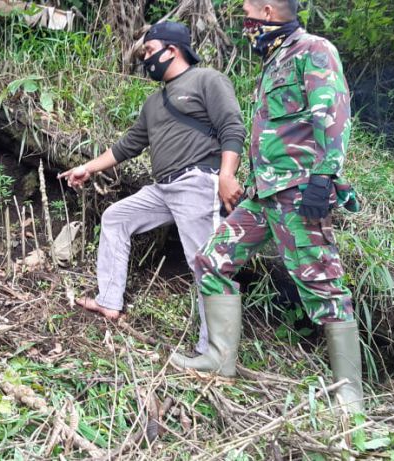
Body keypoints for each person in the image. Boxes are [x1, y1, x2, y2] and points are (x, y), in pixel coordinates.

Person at [172, 0, 363, 413]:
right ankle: (220, 359)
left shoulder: (314, 49)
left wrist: (324, 176)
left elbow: (332, 113)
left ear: (267, 11)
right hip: (264, 193)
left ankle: (349, 396)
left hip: (300, 190)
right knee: (212, 258)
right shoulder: (276, 60)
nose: (245, 24)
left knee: (322, 283)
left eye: (247, 15)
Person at [58, 22, 246, 356]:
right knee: (116, 218)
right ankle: (109, 302)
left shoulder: (207, 80)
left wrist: (227, 175)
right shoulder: (153, 103)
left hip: (197, 183)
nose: (146, 59)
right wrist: (87, 167)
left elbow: (232, 126)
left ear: (172, 50)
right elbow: (127, 146)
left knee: (205, 263)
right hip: (163, 188)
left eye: (148, 51)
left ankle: (216, 352)